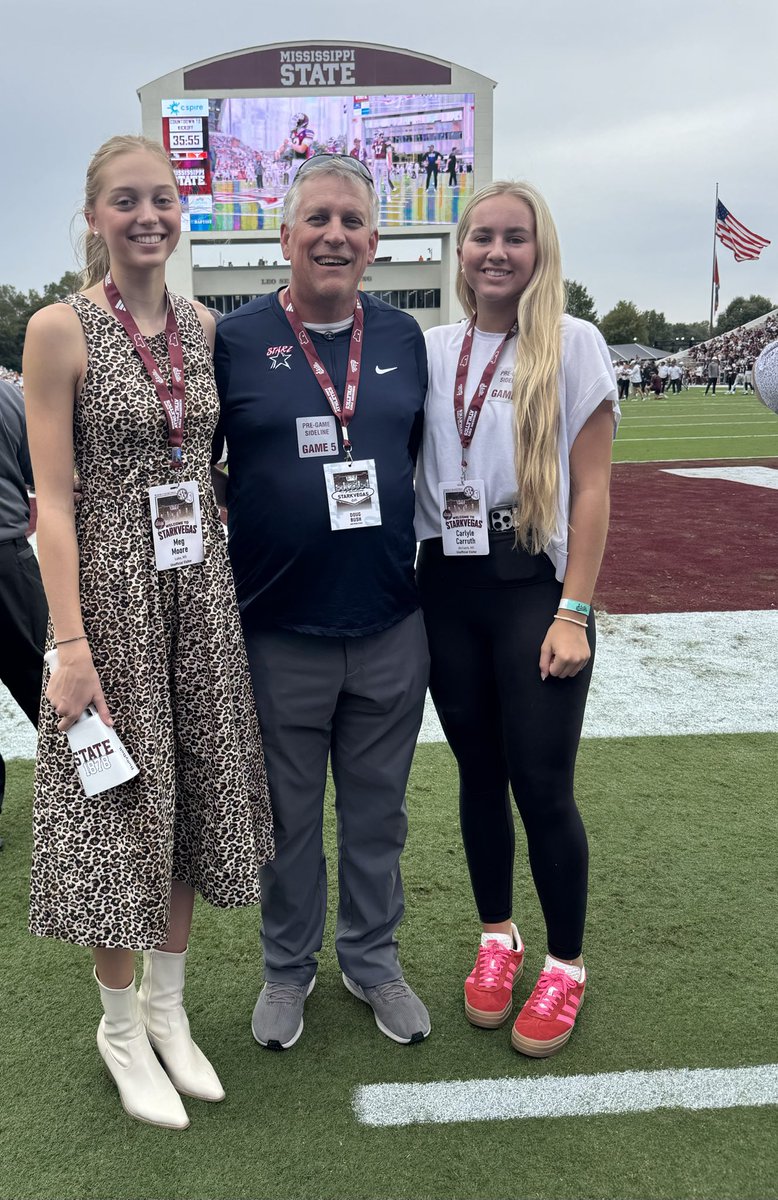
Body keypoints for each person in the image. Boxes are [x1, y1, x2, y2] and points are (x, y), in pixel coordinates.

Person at [23, 134, 274, 1130]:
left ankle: (169, 1013)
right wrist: (69, 645)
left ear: (181, 213)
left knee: (191, 796)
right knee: (119, 808)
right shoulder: (60, 328)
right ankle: (120, 1027)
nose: (146, 216)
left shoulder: (206, 328)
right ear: (95, 217)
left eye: (161, 199)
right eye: (124, 201)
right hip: (112, 602)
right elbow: (50, 500)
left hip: (197, 591)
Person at [213, 153, 430, 1051]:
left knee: (378, 814)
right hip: (276, 626)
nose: (334, 235)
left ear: (374, 244)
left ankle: (372, 959)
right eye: (318, 220)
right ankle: (287, 967)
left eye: (352, 222)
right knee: (289, 821)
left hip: (387, 621)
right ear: (285, 234)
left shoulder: (405, 340)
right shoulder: (232, 340)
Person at [415, 180, 619, 1058]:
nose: (497, 251)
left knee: (541, 783)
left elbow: (596, 488)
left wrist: (573, 610)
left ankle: (566, 964)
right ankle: (497, 938)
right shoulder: (427, 349)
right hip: (445, 589)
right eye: (481, 237)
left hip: (533, 581)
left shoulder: (574, 344)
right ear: (459, 251)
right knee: (477, 774)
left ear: (540, 252)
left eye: (515, 237)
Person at [0, 379, 48, 849]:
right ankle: (95, 790)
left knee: (47, 681)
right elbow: (43, 471)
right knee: (45, 679)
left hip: (8, 553)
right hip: (7, 559)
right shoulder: (8, 395)